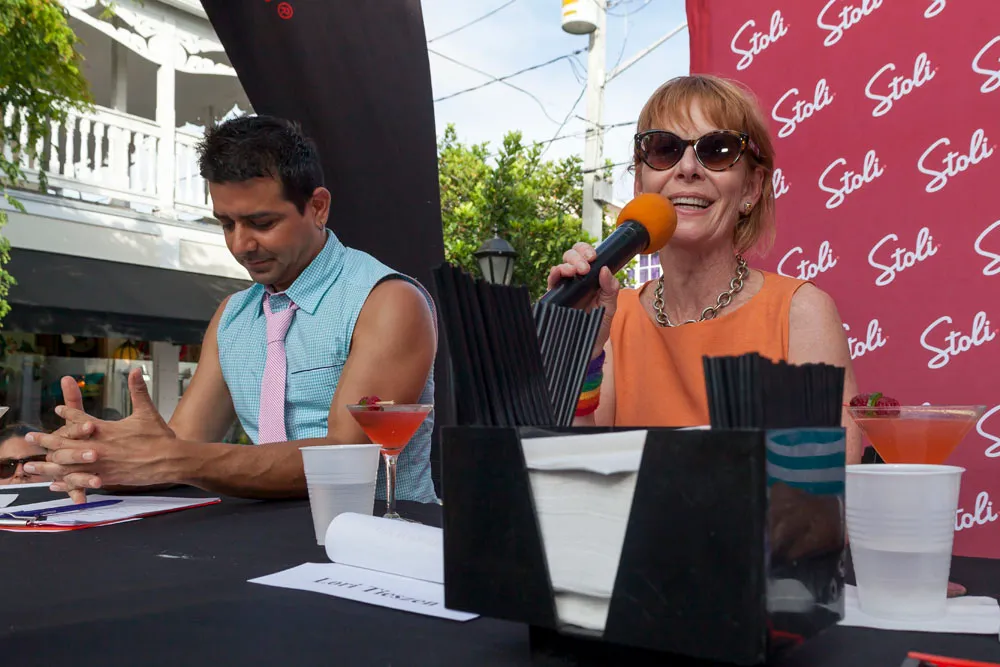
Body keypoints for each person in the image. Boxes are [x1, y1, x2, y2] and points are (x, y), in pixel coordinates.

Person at [24, 115, 439, 505]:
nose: (241, 245)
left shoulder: (388, 301)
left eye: (262, 223)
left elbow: (347, 458)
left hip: (380, 536)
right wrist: (99, 457)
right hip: (264, 537)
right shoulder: (233, 316)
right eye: (226, 224)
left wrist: (169, 457)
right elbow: (181, 447)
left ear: (317, 207)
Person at [548, 74, 862, 463]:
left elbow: (822, 487)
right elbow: (576, 475)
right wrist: (579, 349)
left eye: (717, 150)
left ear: (751, 188)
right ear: (640, 183)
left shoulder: (800, 313)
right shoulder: (612, 318)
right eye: (664, 149)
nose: (688, 168)